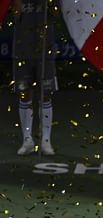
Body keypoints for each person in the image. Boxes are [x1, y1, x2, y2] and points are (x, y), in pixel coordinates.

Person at [12, 0, 58, 155]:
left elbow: (56, 13)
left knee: (45, 93)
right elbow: (16, 12)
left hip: (45, 45)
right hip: (23, 44)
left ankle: (46, 140)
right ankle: (27, 139)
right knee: (25, 93)